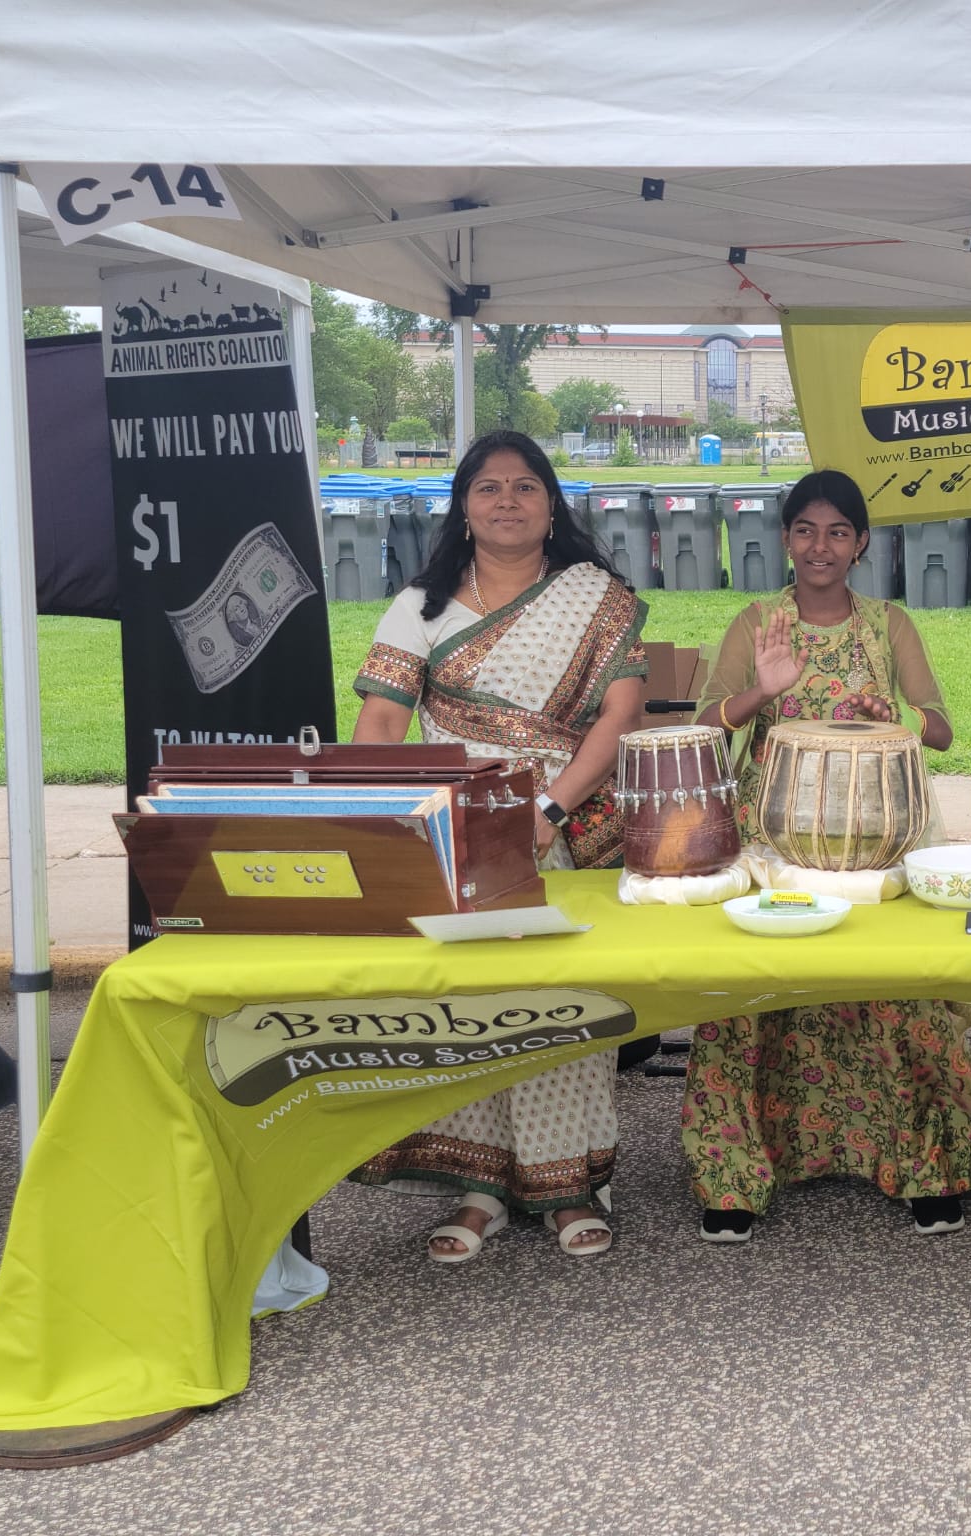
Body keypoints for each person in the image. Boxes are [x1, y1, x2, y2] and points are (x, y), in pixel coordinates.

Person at [683, 469, 971, 1242]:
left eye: (838, 531)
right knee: (750, 994)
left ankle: (924, 1168)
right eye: (805, 529)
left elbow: (940, 728)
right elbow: (708, 726)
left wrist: (894, 712)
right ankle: (734, 1180)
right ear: (784, 539)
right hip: (773, 838)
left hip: (873, 839)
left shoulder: (887, 624)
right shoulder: (757, 623)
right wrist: (760, 693)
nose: (821, 546)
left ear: (862, 543)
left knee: (889, 991)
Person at [346, 429, 648, 1261]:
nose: (507, 500)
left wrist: (544, 810)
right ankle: (480, 1188)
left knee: (559, 999)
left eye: (524, 487)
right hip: (455, 827)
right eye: (488, 487)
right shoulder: (422, 606)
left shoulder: (598, 599)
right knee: (470, 1001)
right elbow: (381, 719)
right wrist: (384, 817)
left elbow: (620, 720)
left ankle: (567, 1184)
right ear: (464, 508)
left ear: (552, 506)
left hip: (563, 824)